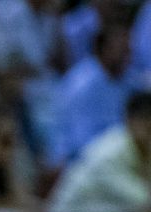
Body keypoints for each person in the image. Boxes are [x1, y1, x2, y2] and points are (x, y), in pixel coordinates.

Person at [49, 17, 137, 167]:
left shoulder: (127, 78)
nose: (127, 57)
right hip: (78, 162)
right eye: (122, 50)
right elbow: (80, 143)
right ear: (102, 50)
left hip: (114, 156)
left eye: (128, 51)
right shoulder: (82, 84)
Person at [50, 88, 151, 212]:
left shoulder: (143, 147)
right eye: (146, 120)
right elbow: (142, 200)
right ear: (129, 120)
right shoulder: (110, 153)